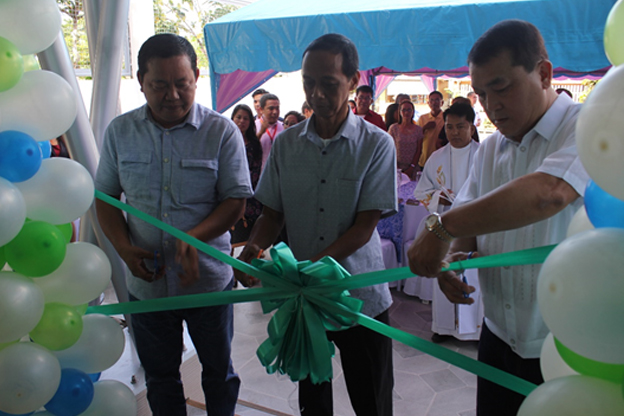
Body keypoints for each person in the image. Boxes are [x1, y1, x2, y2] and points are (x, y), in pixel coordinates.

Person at [407, 20, 589, 416]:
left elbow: (549, 194)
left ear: (543, 74)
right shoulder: (490, 149)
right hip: (499, 336)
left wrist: (442, 229)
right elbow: (468, 225)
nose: (491, 105)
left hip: (564, 347)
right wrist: (453, 258)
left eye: (502, 87)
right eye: (482, 93)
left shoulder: (585, 128)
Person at [235, 33, 396, 416]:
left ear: (353, 81)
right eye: (309, 82)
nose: (317, 93)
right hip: (304, 302)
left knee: (371, 399)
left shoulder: (376, 145)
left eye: (329, 83)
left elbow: (363, 227)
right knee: (313, 401)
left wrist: (309, 270)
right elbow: (272, 214)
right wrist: (253, 251)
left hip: (360, 297)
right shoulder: (287, 146)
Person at [94, 33, 252, 416]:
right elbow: (105, 199)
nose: (173, 96)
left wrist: (193, 238)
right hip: (146, 285)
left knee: (219, 372)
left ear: (196, 77)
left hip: (208, 282)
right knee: (161, 376)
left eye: (182, 84)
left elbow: (236, 200)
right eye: (159, 85)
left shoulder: (221, 131)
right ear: (140, 81)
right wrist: (123, 247)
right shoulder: (120, 131)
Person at [413, 102, 482, 343]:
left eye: (460, 127)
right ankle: (443, 328)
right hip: (443, 226)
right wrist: (436, 197)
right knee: (444, 269)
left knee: (473, 275)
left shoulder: (483, 155)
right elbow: (421, 191)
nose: (454, 132)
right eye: (450, 127)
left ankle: (474, 331)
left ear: (472, 128)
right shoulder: (437, 157)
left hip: (475, 226)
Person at [230, 104, 263, 245]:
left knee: (250, 237)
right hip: (230, 194)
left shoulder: (255, 144)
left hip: (251, 196)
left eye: (246, 118)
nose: (241, 121)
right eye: (238, 117)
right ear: (232, 118)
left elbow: (256, 170)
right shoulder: (225, 141)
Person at [388, 100, 423, 180]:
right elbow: (390, 148)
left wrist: (411, 167)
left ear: (413, 112)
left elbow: (419, 150)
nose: (406, 112)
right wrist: (397, 167)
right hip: (396, 167)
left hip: (413, 168)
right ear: (400, 112)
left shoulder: (418, 130)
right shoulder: (393, 128)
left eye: (409, 110)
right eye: (404, 110)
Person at [416, 91, 445, 168]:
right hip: (424, 159)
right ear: (428, 103)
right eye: (431, 100)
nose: (434, 103)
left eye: (437, 100)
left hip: (442, 159)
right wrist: (425, 127)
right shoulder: (422, 118)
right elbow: (416, 136)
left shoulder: (446, 118)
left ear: (442, 103)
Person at [256, 93, 284, 169]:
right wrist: (261, 133)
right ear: (261, 110)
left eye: (277, 108)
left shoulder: (283, 127)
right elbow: (249, 148)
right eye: (271, 108)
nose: (275, 112)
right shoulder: (254, 126)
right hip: (259, 174)